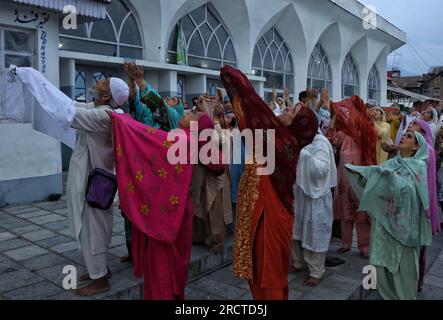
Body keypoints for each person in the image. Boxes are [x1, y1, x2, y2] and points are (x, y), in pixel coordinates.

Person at [221, 65, 318, 300]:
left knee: (268, 272)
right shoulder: (280, 137)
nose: (286, 109)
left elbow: (252, 110)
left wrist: (235, 81)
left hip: (269, 213)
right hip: (262, 208)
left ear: (297, 125)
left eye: (292, 110)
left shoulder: (281, 140)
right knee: (257, 269)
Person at [112, 112, 212, 299]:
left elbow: (147, 135)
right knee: (170, 261)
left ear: (196, 126)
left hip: (170, 212)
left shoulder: (185, 139)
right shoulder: (185, 138)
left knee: (163, 263)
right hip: (172, 206)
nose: (187, 113)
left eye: (193, 114)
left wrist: (122, 120)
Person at [345, 131, 432, 300]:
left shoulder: (419, 166)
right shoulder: (393, 162)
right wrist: (362, 175)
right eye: (404, 134)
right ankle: (386, 294)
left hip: (405, 225)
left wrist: (393, 180)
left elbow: (413, 195)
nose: (403, 136)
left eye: (409, 136)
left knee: (404, 266)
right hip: (385, 222)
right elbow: (377, 183)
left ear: (416, 147)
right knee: (381, 263)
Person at [67, 77, 129, 296]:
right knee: (92, 227)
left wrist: (36, 85)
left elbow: (70, 112)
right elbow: (75, 106)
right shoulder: (101, 109)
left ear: (106, 96)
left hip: (96, 184)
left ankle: (100, 280)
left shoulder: (104, 115)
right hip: (94, 181)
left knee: (94, 230)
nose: (100, 81)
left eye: (104, 82)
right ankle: (100, 270)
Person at [326, 96, 377, 259]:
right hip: (344, 175)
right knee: (345, 209)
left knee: (361, 210)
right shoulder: (343, 134)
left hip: (360, 174)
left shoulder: (366, 129)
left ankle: (364, 247)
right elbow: (330, 140)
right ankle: (346, 244)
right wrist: (333, 120)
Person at [292, 127, 337, 287]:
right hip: (299, 191)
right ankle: (297, 262)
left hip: (316, 194)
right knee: (296, 229)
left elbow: (322, 170)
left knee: (315, 231)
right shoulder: (296, 137)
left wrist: (304, 154)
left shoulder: (320, 142)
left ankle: (316, 271)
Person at [408, 120, 441, 291]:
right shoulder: (418, 147)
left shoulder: (425, 150)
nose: (409, 127)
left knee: (420, 246)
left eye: (413, 125)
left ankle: (416, 281)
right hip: (413, 201)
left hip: (421, 202)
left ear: (422, 130)